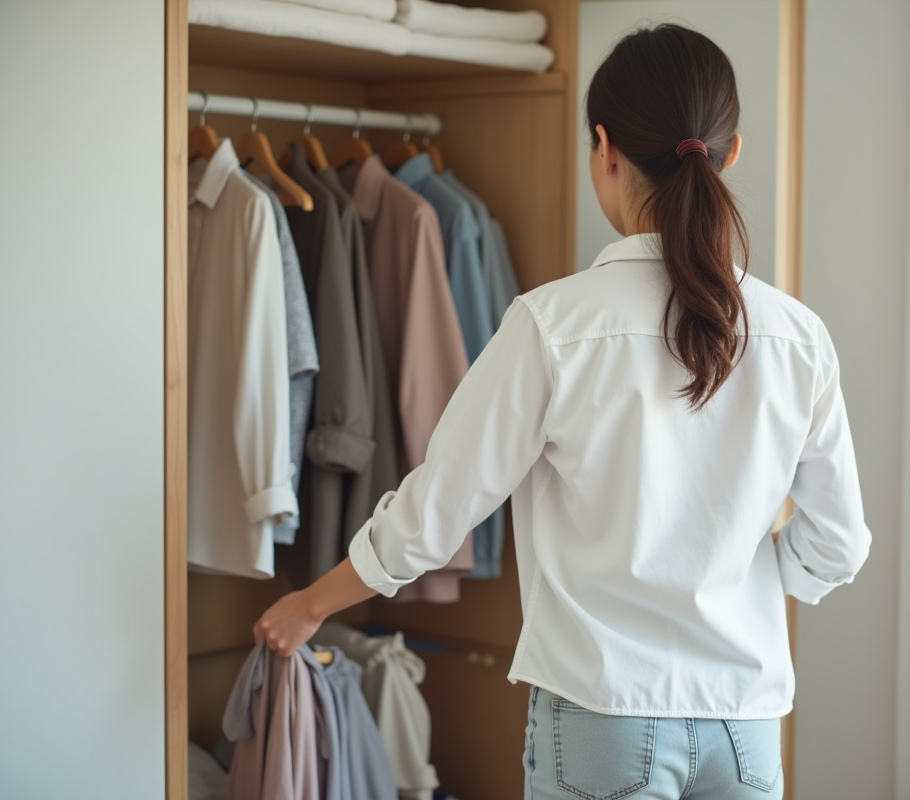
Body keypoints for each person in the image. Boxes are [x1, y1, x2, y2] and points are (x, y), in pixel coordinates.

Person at [254, 23, 870, 800]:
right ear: (732, 151)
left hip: (601, 718)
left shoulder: (553, 326)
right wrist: (735, 579)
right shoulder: (796, 336)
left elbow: (432, 517)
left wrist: (310, 605)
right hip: (745, 726)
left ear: (604, 150)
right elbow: (839, 546)